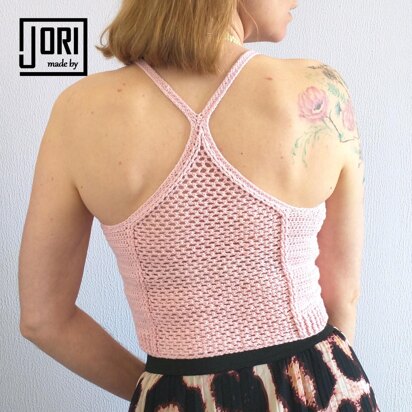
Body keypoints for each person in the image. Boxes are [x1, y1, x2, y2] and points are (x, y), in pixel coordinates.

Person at [18, 0, 380, 410]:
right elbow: (344, 296)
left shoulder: (78, 111)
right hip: (319, 388)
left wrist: (157, 390)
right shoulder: (319, 88)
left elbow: (43, 320)